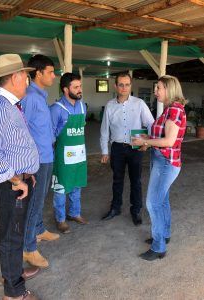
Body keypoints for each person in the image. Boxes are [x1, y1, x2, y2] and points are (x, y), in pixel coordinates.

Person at [0, 54, 40, 300]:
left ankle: (13, 272)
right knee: (11, 235)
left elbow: (12, 145)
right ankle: (14, 292)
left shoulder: (8, 105)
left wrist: (28, 173)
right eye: (25, 76)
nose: (27, 80)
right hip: (12, 185)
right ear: (15, 77)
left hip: (21, 180)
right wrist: (17, 180)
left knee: (13, 232)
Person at [132, 75, 187, 261]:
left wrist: (146, 142)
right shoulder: (169, 109)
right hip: (162, 159)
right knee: (161, 201)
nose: (155, 92)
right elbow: (161, 136)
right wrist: (146, 140)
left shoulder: (174, 111)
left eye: (159, 88)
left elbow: (169, 141)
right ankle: (164, 234)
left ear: (169, 89)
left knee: (153, 203)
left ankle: (158, 247)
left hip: (166, 161)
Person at [100, 73, 154, 225]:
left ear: (131, 86)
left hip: (135, 148)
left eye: (127, 84)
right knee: (117, 180)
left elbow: (151, 124)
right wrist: (105, 151)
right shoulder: (110, 105)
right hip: (117, 148)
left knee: (135, 180)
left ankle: (135, 210)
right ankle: (115, 208)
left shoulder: (139, 103)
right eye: (121, 85)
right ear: (115, 86)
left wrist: (147, 142)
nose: (124, 88)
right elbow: (104, 130)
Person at [21, 54, 59, 269]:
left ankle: (39, 230)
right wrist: (28, 163)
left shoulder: (40, 96)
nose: (54, 76)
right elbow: (22, 131)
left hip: (47, 156)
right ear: (38, 73)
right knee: (33, 205)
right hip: (37, 160)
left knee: (41, 198)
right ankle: (28, 249)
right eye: (50, 72)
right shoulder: (30, 98)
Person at [50, 72, 88, 234]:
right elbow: (50, 136)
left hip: (79, 155)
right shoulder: (56, 109)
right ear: (66, 89)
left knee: (76, 185)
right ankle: (60, 219)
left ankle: (74, 213)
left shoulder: (82, 106)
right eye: (76, 87)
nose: (80, 90)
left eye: (80, 86)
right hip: (62, 157)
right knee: (60, 188)